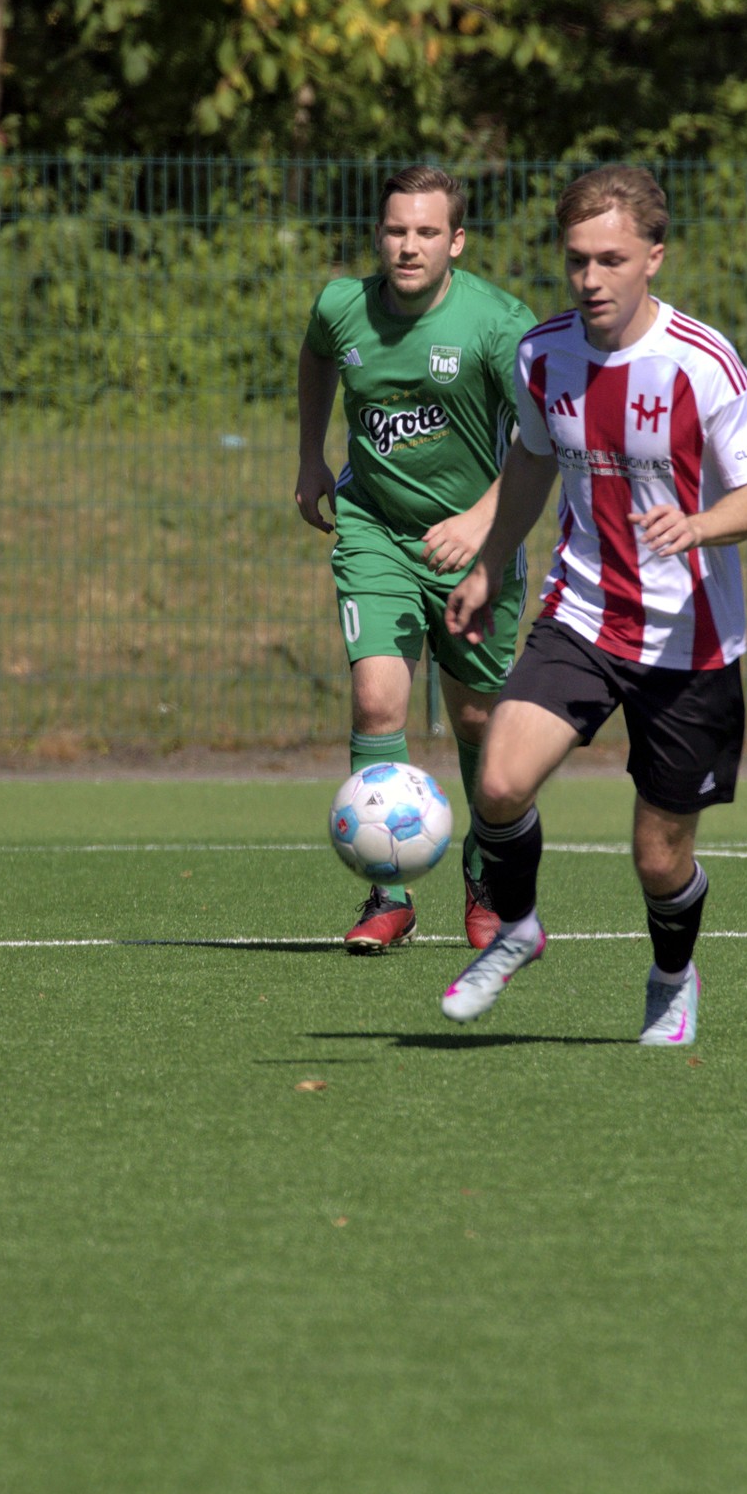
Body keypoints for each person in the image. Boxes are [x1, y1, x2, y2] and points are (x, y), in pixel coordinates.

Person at [437, 165, 747, 1047]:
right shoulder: (541, 353)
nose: (591, 279)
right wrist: (487, 565)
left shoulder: (702, 363)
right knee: (501, 779)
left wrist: (700, 523)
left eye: (611, 259)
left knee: (658, 860)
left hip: (690, 640)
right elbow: (529, 460)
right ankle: (516, 927)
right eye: (577, 261)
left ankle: (672, 977)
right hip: (583, 614)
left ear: (653, 259)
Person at [297, 166, 539, 954]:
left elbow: (546, 439)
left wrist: (481, 523)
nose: (409, 245)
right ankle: (388, 892)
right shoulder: (342, 305)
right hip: (374, 529)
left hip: (478, 542)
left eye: (427, 232)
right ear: (379, 233)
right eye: (397, 229)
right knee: (377, 702)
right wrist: (310, 456)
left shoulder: (499, 325)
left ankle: (483, 864)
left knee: (477, 719)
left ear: (456, 241)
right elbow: (316, 357)